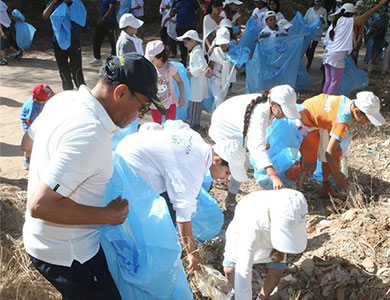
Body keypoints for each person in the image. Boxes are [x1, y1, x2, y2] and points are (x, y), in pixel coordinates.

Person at [21, 53, 165, 300]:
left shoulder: (65, 99)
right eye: (142, 106)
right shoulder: (91, 135)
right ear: (120, 93)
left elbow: (27, 142)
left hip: (44, 241)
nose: (141, 115)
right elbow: (40, 205)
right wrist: (109, 215)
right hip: (68, 254)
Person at [116, 120, 247, 272]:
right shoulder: (192, 168)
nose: (225, 178)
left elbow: (173, 123)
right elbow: (183, 215)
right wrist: (192, 253)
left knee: (173, 197)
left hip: (131, 143)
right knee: (165, 211)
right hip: (131, 164)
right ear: (217, 161)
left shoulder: (197, 140)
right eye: (227, 173)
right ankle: (150, 254)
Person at [208, 84, 301, 207]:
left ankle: (230, 196)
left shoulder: (266, 104)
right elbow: (257, 145)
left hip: (235, 128)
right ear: (273, 104)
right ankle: (222, 194)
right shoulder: (260, 113)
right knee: (240, 162)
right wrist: (273, 175)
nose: (284, 115)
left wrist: (259, 144)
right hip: (225, 128)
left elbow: (255, 137)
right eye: (283, 110)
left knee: (242, 161)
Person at [285, 92, 386, 194]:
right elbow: (329, 154)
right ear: (356, 112)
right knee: (309, 156)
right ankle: (297, 187)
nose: (368, 122)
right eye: (367, 119)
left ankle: (326, 188)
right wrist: (339, 179)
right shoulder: (342, 121)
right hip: (305, 121)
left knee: (336, 150)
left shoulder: (346, 101)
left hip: (319, 119)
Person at [223, 189, 308, 300]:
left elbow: (292, 232)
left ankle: (262, 298)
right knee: (230, 269)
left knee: (277, 268)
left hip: (273, 229)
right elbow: (243, 268)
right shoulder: (250, 224)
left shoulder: (295, 206)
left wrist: (280, 249)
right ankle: (235, 291)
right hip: (245, 231)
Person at [322, 0, 389, 95]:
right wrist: (379, 5)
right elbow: (365, 16)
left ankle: (323, 100)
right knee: (335, 82)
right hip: (337, 56)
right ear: (350, 14)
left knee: (329, 81)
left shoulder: (336, 22)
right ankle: (327, 104)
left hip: (328, 54)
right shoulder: (347, 21)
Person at [43, 0, 86, 90]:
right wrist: (53, 3)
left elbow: (81, 15)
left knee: (76, 67)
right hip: (58, 41)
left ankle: (81, 88)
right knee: (63, 67)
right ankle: (67, 89)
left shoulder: (74, 2)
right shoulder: (52, 3)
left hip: (73, 40)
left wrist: (68, 3)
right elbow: (45, 16)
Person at [145, 40, 185, 124]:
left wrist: (182, 97)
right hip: (155, 104)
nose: (150, 62)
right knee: (156, 126)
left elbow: (180, 82)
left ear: (160, 59)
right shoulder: (150, 69)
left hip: (170, 102)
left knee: (170, 125)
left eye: (152, 60)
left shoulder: (170, 68)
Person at [19, 83, 55, 170]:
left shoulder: (40, 100)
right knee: (30, 144)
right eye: (47, 98)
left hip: (38, 120)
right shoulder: (32, 106)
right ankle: (27, 159)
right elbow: (30, 121)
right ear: (40, 100)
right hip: (30, 124)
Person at [178, 30, 208, 131]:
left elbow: (203, 66)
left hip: (197, 82)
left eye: (186, 43)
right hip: (197, 82)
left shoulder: (197, 52)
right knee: (196, 102)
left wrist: (192, 72)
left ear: (192, 41)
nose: (185, 45)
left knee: (194, 102)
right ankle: (194, 122)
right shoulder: (195, 51)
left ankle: (193, 124)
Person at [206, 27, 234, 109]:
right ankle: (218, 116)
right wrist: (209, 69)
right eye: (222, 43)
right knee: (218, 99)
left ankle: (216, 112)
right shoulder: (216, 51)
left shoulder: (231, 53)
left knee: (222, 98)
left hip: (226, 80)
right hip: (216, 79)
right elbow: (211, 64)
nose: (224, 45)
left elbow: (235, 67)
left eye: (225, 43)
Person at [172, 0, 201, 67]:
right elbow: (172, 13)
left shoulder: (193, 1)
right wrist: (173, 12)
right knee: (182, 46)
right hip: (180, 26)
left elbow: (199, 12)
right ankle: (183, 63)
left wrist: (199, 23)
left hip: (191, 26)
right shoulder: (176, 1)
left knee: (192, 45)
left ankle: (193, 64)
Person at [90, 0, 118, 66]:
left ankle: (114, 59)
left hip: (110, 23)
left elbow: (111, 8)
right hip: (101, 23)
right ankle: (97, 58)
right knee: (97, 40)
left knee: (113, 42)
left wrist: (103, 19)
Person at [304, 0, 327, 71]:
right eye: (317, 1)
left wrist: (322, 20)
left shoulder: (323, 10)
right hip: (308, 31)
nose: (318, 3)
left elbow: (325, 24)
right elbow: (305, 19)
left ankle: (309, 64)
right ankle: (309, 59)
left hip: (317, 32)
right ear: (314, 2)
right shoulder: (309, 10)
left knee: (312, 48)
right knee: (307, 49)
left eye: (319, 1)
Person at [0, 0, 23, 66]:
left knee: (3, 43)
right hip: (7, 24)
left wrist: (2, 32)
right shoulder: (1, 3)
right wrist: (16, 19)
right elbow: (7, 14)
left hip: (4, 26)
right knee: (7, 41)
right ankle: (18, 52)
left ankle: (4, 60)